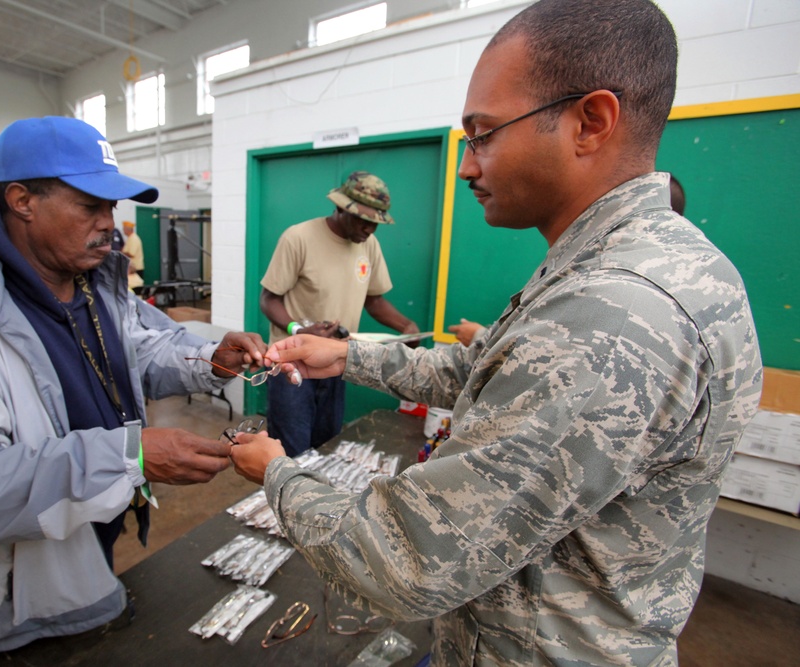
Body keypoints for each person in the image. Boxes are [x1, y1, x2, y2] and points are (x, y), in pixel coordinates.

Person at [230, 1, 763, 665]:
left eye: (483, 134)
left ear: (590, 122)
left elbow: (408, 556)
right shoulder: (643, 263)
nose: (465, 166)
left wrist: (276, 474)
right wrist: (342, 353)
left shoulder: (613, 314)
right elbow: (482, 365)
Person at [0, 116, 266, 662]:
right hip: (17, 588)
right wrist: (126, 457)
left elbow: (141, 348)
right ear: (22, 201)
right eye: (91, 206)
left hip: (90, 521)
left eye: (113, 208)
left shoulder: (93, 282)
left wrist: (210, 361)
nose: (110, 227)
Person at [259, 171, 419, 456]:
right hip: (292, 365)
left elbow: (375, 301)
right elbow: (269, 299)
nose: (369, 230)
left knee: (326, 443)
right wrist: (298, 329)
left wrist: (406, 326)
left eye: (375, 224)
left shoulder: (368, 245)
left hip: (337, 361)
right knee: (291, 449)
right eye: (364, 220)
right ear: (342, 208)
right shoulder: (298, 238)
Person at [121, 223, 146, 290]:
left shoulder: (134, 239)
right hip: (131, 268)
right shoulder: (130, 238)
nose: (123, 231)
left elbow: (132, 253)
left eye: (124, 229)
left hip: (135, 268)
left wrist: (120, 253)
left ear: (128, 230)